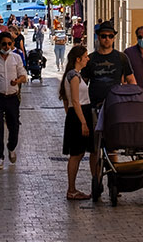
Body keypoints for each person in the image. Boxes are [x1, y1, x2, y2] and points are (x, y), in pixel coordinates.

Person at [80, 20, 134, 198]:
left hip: (115, 107)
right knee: (95, 148)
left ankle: (113, 179)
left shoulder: (121, 58)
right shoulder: (91, 59)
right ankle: (96, 181)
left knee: (113, 145)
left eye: (110, 36)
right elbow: (83, 83)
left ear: (114, 38)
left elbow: (131, 80)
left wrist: (132, 99)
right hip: (95, 106)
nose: (107, 39)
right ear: (98, 37)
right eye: (104, 36)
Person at [59, 45, 97, 201]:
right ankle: (71, 189)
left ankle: (74, 188)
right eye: (86, 56)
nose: (88, 59)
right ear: (78, 59)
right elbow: (74, 100)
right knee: (76, 153)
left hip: (79, 114)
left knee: (80, 152)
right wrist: (82, 122)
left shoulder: (76, 75)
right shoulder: (73, 76)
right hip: (80, 114)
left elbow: (66, 100)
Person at [0, 30, 28, 169]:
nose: (6, 46)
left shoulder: (16, 58)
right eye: (4, 44)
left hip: (12, 98)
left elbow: (24, 75)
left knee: (14, 125)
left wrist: (18, 81)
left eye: (9, 44)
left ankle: (11, 146)